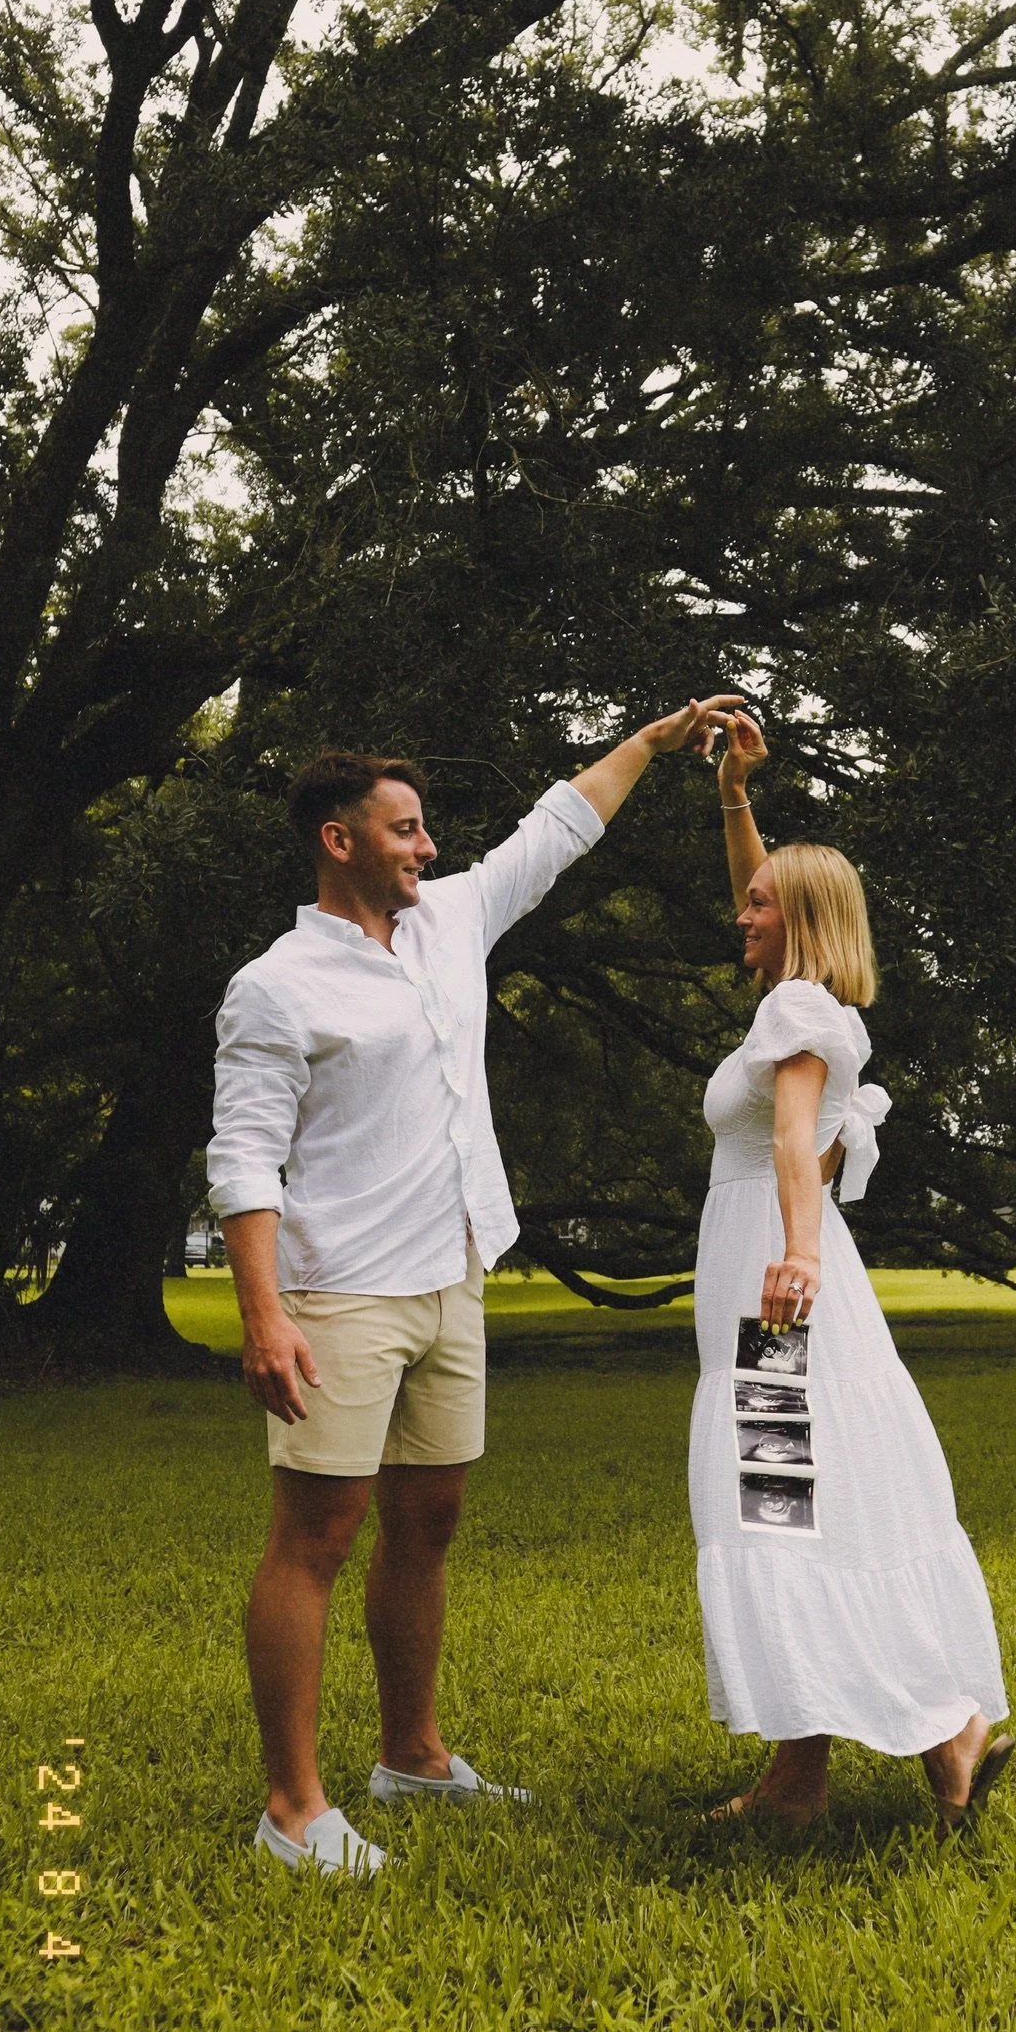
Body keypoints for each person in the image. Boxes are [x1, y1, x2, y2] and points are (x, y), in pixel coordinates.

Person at [208, 699, 741, 1878]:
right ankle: (291, 1809)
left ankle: (413, 1756)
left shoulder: (450, 922)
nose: (428, 847)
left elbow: (557, 831)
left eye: (427, 828)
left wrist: (650, 747)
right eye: (404, 830)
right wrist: (262, 1312)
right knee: (316, 1535)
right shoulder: (276, 985)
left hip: (455, 1274)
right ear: (340, 840)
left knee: (430, 1521)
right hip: (341, 1291)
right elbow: (242, 1158)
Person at [689, 713, 1014, 1834]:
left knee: (777, 1504)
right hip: (781, 1277)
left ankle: (881, 1749)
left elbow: (789, 1142)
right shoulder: (811, 1001)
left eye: (759, 904)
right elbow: (770, 892)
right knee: (795, 1503)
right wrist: (734, 797)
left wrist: (792, 1258)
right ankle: (868, 1757)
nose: (740, 910)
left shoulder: (793, 1010)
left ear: (804, 919)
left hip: (773, 1283)